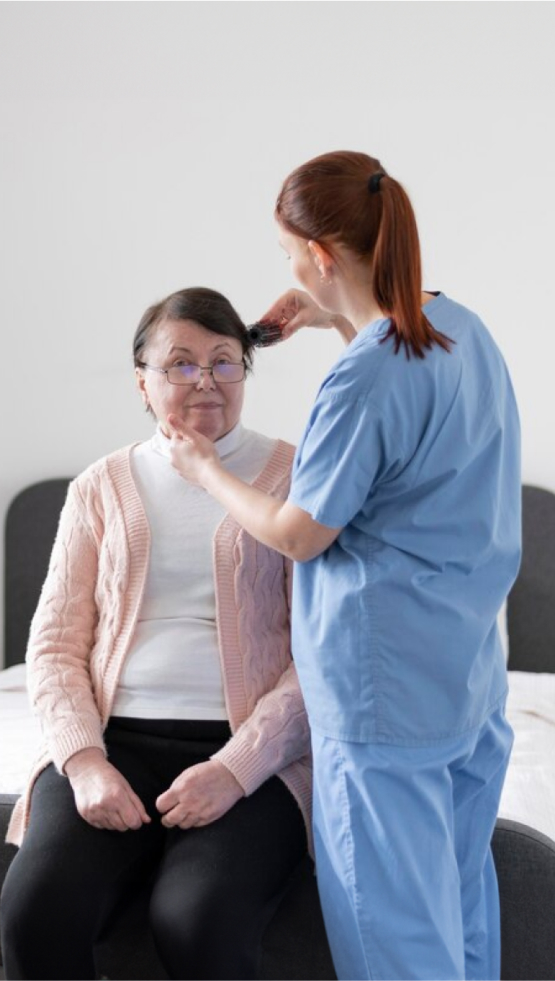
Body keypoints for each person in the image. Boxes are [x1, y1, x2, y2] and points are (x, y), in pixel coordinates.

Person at [166, 152, 522, 981]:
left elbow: (297, 532)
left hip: (381, 699)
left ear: (320, 257)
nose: (286, 269)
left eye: (290, 254)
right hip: (462, 681)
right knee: (459, 913)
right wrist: (331, 313)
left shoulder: (364, 379)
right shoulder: (462, 327)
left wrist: (205, 470)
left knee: (395, 944)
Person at [0, 287, 312, 981]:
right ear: (141, 381)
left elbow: (321, 657)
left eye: (225, 362)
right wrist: (83, 762)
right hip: (113, 740)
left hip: (245, 752)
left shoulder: (295, 476)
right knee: (33, 909)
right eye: (180, 364)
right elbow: (54, 644)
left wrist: (234, 770)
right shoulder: (100, 486)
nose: (205, 381)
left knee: (195, 917)